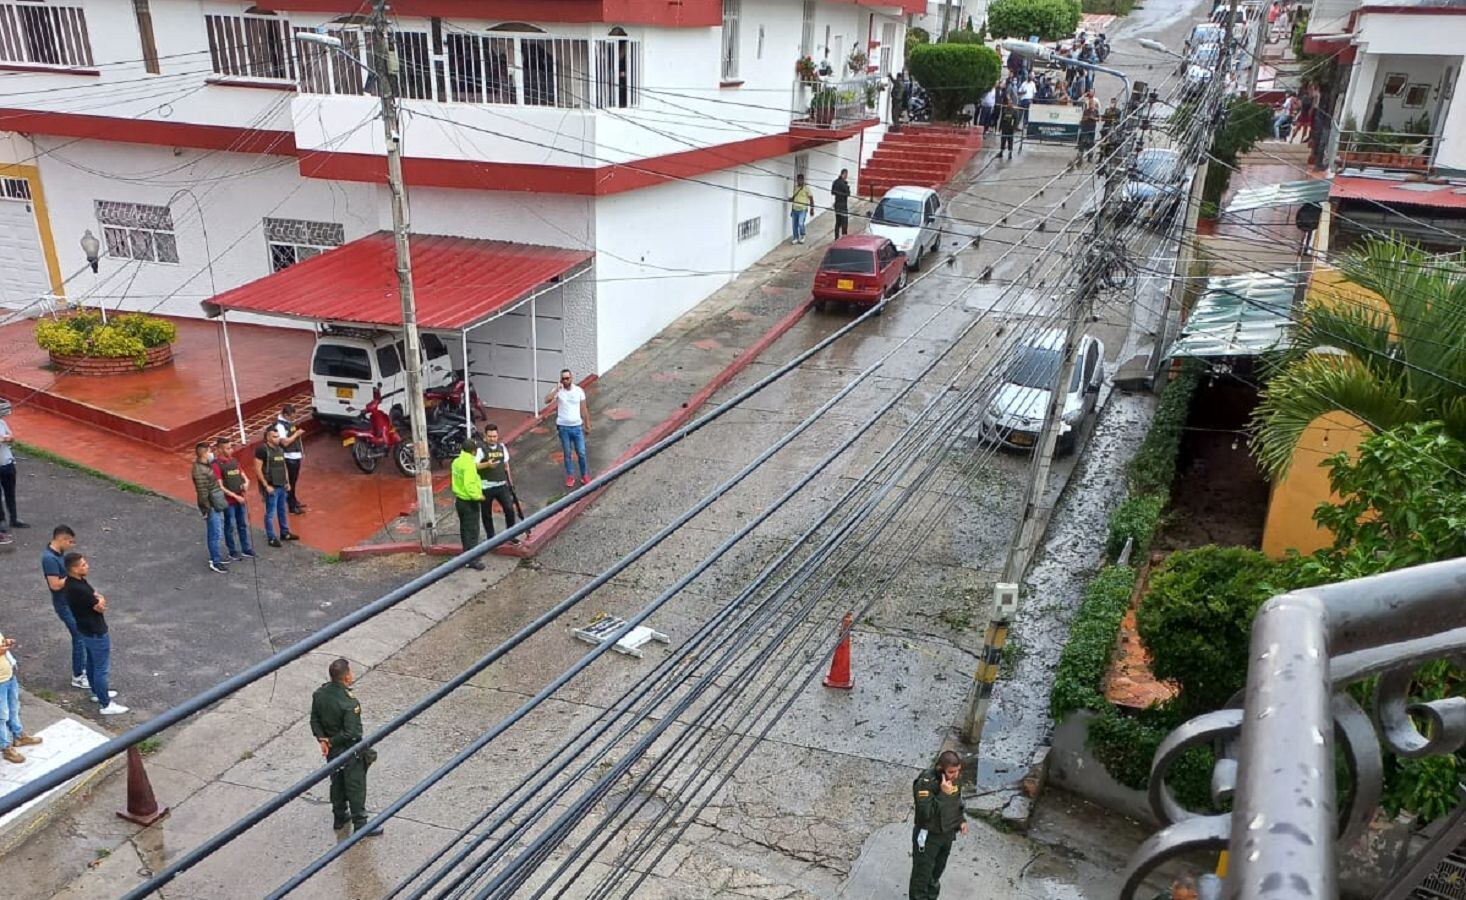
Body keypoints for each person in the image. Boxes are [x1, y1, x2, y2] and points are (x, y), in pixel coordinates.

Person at [310, 658, 380, 837]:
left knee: (337, 782)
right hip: (349, 750)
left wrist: (323, 740)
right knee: (355, 785)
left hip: (332, 751)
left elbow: (314, 720)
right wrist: (332, 741)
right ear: (346, 677)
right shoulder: (350, 703)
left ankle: (339, 816)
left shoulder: (320, 694)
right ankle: (361, 824)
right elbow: (352, 733)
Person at [62, 552, 128, 715]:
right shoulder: (80, 589)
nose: (87, 566)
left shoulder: (71, 584)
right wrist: (102, 599)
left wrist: (98, 599)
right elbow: (99, 605)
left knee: (91, 664)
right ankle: (105, 703)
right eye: (83, 564)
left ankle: (97, 693)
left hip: (86, 630)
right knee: (100, 668)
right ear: (74, 569)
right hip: (96, 631)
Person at [908, 750, 967, 900]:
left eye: (957, 771)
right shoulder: (926, 783)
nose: (955, 775)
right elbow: (925, 814)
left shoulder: (955, 779)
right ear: (940, 769)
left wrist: (961, 820)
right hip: (929, 836)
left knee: (936, 874)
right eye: (951, 772)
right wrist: (942, 794)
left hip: (946, 834)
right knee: (922, 876)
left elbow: (956, 801)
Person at [42, 525, 86, 691]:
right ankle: (78, 675)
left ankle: (82, 671)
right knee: (79, 635)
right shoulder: (49, 559)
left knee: (81, 634)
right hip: (63, 604)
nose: (71, 545)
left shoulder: (59, 554)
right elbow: (54, 585)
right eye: (70, 541)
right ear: (61, 539)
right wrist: (73, 576)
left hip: (70, 601)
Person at [0, 630, 43, 764]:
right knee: (2, 715)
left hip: (9, 676)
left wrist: (5, 643)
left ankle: (18, 736)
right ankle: (6, 747)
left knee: (14, 708)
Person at [254, 428, 297, 548]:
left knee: (282, 510)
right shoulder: (262, 450)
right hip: (271, 487)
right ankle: (271, 537)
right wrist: (266, 485)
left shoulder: (280, 449)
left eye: (278, 436)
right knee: (270, 513)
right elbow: (257, 469)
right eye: (274, 436)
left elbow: (284, 466)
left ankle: (285, 532)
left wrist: (287, 482)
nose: (277, 438)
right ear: (267, 437)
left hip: (282, 485)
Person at [213, 437, 254, 561]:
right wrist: (236, 496)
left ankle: (246, 548)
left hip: (239, 499)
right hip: (229, 501)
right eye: (227, 448)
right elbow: (220, 486)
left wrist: (246, 483)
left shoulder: (234, 461)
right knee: (229, 526)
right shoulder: (216, 465)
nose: (230, 450)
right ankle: (232, 551)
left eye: (231, 447)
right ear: (219, 449)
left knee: (242, 524)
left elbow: (244, 476)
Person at [546, 369, 590, 488]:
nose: (565, 381)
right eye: (563, 379)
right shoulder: (558, 391)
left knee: (581, 452)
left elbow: (584, 409)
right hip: (563, 427)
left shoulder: (579, 391)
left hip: (577, 427)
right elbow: (546, 400)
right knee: (567, 453)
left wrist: (587, 425)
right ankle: (570, 476)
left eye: (567, 378)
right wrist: (556, 389)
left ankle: (584, 475)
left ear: (571, 378)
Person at [191, 442, 230, 574]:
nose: (211, 454)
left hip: (215, 502)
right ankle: (215, 561)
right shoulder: (199, 470)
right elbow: (202, 493)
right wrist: (206, 509)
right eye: (209, 451)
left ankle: (216, 556)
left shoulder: (206, 466)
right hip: (211, 505)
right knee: (215, 533)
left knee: (217, 532)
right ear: (204, 453)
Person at [475, 425, 518, 545]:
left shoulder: (502, 447)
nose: (492, 439)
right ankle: (491, 538)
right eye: (490, 436)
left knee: (509, 509)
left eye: (494, 436)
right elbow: (475, 465)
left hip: (501, 484)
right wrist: (487, 464)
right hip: (486, 486)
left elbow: (506, 466)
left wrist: (510, 483)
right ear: (485, 436)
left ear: (498, 436)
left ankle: (511, 535)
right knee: (486, 513)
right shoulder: (480, 450)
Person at [451, 438, 486, 570]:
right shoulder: (469, 464)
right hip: (469, 501)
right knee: (473, 531)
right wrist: (479, 496)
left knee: (464, 529)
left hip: (459, 500)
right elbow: (469, 484)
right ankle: (473, 559)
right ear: (473, 451)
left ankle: (465, 556)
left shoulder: (456, 462)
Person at [272, 404, 308, 515]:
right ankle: (292, 507)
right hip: (289, 457)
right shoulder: (280, 426)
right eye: (291, 416)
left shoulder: (289, 423)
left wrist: (301, 452)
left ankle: (294, 500)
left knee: (294, 481)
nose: (293, 418)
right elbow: (285, 442)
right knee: (290, 482)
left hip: (296, 455)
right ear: (285, 415)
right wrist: (297, 434)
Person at [0, 403, 25, 531]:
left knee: (10, 493)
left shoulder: (2, 423)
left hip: (7, 463)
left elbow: (11, 437)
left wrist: (7, 439)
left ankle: (14, 519)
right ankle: (2, 520)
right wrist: (4, 439)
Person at [789, 174, 813, 245]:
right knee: (794, 225)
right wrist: (791, 210)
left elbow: (811, 198)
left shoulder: (806, 188)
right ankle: (795, 238)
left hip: (802, 209)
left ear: (803, 180)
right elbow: (794, 199)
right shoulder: (795, 188)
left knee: (800, 223)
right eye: (798, 180)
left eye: (800, 180)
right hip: (794, 209)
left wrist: (812, 209)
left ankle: (802, 236)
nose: (799, 181)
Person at [1078, 91, 1101, 162]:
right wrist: (1088, 117)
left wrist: (1093, 118)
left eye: (1092, 104)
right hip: (1085, 129)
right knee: (1082, 142)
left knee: (1091, 143)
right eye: (1090, 104)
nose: (1091, 105)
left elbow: (1099, 119)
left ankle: (1090, 157)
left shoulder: (1096, 111)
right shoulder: (1086, 111)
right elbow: (1083, 119)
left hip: (1092, 129)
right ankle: (1080, 156)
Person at [830, 169, 851, 239]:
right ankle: (844, 239)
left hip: (837, 205)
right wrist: (847, 187)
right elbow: (848, 193)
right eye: (846, 175)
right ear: (844, 174)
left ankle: (836, 238)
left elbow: (832, 192)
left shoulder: (835, 182)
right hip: (843, 205)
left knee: (838, 222)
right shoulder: (843, 183)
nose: (847, 176)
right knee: (844, 223)